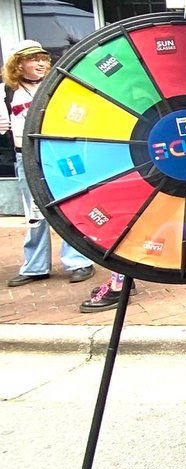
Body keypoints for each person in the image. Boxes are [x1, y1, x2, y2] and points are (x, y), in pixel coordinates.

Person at [3, 40, 94, 287]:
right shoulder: (6, 92)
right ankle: (35, 266)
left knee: (70, 204)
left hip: (59, 154)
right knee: (35, 215)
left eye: (43, 58)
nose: (41, 63)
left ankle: (78, 261)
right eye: (34, 59)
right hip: (25, 158)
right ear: (18, 64)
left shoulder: (58, 85)